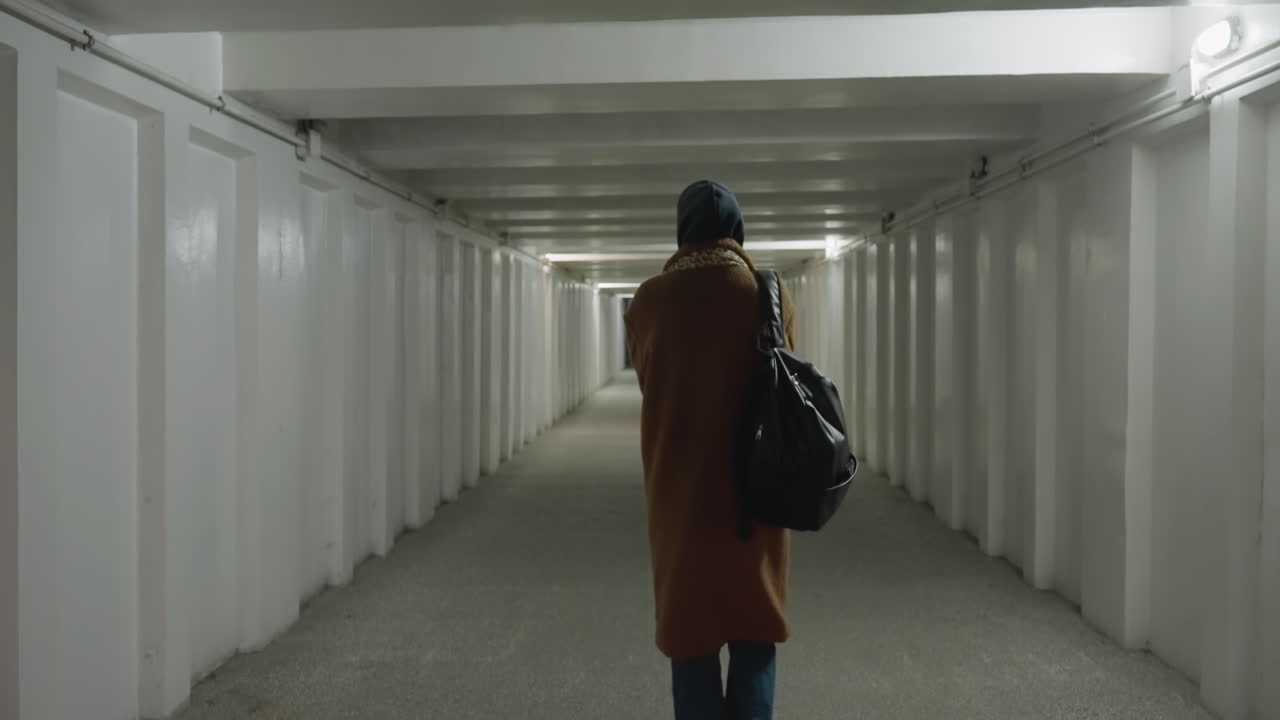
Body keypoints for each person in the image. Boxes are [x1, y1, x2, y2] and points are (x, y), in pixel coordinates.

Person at [624, 180, 797, 720]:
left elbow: (650, 381)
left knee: (691, 642)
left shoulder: (650, 301)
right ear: (737, 231)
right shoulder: (771, 295)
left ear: (683, 231)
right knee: (754, 634)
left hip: (682, 500)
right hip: (758, 497)